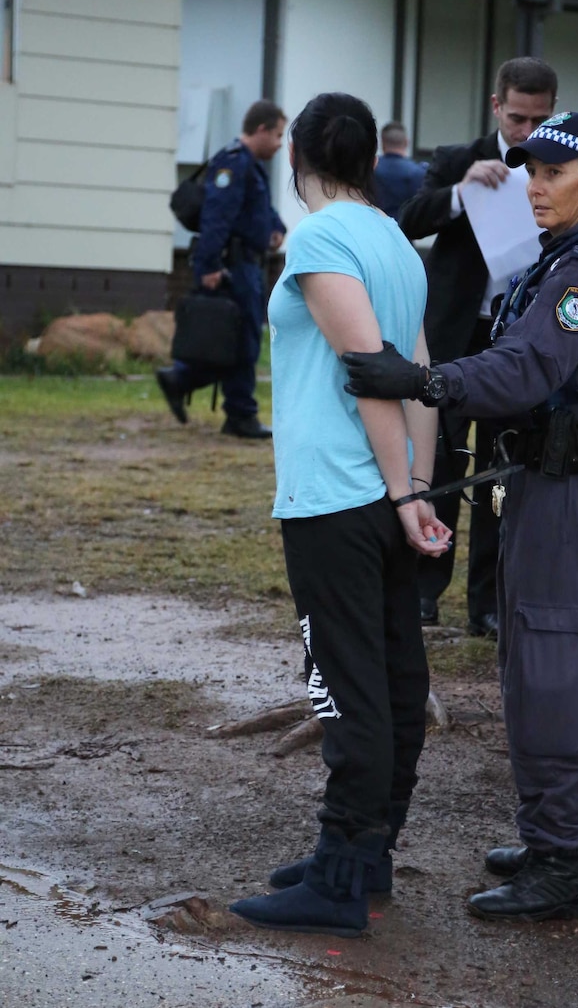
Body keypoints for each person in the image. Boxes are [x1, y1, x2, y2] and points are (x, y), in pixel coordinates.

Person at [344, 112, 578, 923]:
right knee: (546, 663)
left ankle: (557, 862)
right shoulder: (557, 262)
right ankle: (577, 836)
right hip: (545, 483)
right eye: (529, 171)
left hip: (568, 489)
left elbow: (528, 365)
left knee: (547, 669)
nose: (535, 186)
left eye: (554, 173)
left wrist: (424, 381)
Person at [228, 93, 451, 937]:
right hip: (386, 494)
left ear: (299, 162)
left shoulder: (321, 237)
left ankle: (339, 871)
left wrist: (403, 493)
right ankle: (369, 855)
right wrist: (416, 487)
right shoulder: (395, 240)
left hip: (336, 496)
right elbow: (421, 370)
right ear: (366, 159)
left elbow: (371, 370)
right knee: (393, 673)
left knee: (348, 679)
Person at [399, 57, 558, 637]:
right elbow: (408, 220)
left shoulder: (561, 163)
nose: (527, 131)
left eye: (539, 119)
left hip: (517, 335)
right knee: (437, 461)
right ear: (497, 107)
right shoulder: (454, 159)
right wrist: (461, 194)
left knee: (501, 468)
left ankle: (487, 603)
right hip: (454, 334)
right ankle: (423, 587)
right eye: (518, 117)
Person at [156, 100, 288, 439]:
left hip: (246, 262)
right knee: (241, 339)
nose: (279, 143)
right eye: (277, 135)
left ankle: (183, 380)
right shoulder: (233, 163)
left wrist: (276, 227)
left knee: (237, 339)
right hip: (233, 266)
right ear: (260, 130)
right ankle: (239, 414)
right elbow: (216, 217)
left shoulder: (250, 165)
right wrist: (209, 266)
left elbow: (256, 210)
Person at [374, 121, 427, 218]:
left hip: (376, 225)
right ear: (407, 142)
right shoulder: (418, 172)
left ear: (382, 143)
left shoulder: (371, 169)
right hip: (405, 229)